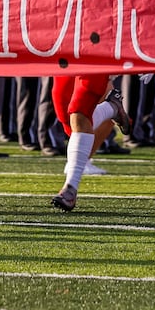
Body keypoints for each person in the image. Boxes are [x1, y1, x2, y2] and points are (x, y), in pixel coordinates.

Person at [48, 76, 126, 210]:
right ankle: (112, 107)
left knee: (79, 114)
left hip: (95, 59)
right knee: (68, 121)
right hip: (66, 59)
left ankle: (70, 188)